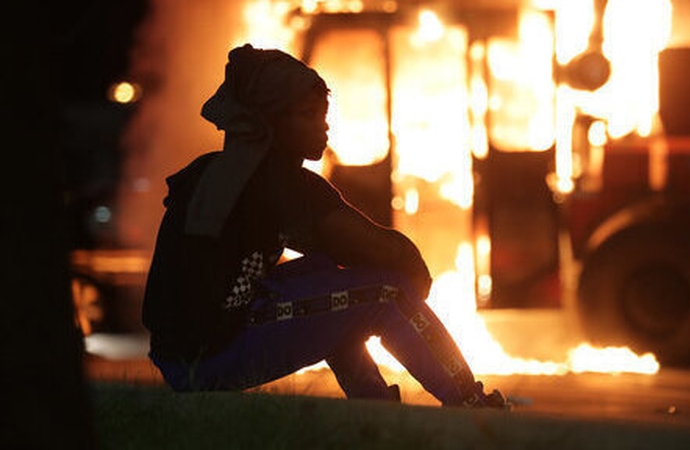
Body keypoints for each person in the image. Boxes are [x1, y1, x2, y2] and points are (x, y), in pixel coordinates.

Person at [142, 44, 505, 407]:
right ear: (270, 122)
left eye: (323, 114)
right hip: (213, 356)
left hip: (184, 355)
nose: (324, 125)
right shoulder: (280, 182)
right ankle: (470, 402)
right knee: (386, 293)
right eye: (308, 114)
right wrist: (411, 277)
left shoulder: (216, 171)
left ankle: (373, 405)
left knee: (327, 278)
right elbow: (383, 251)